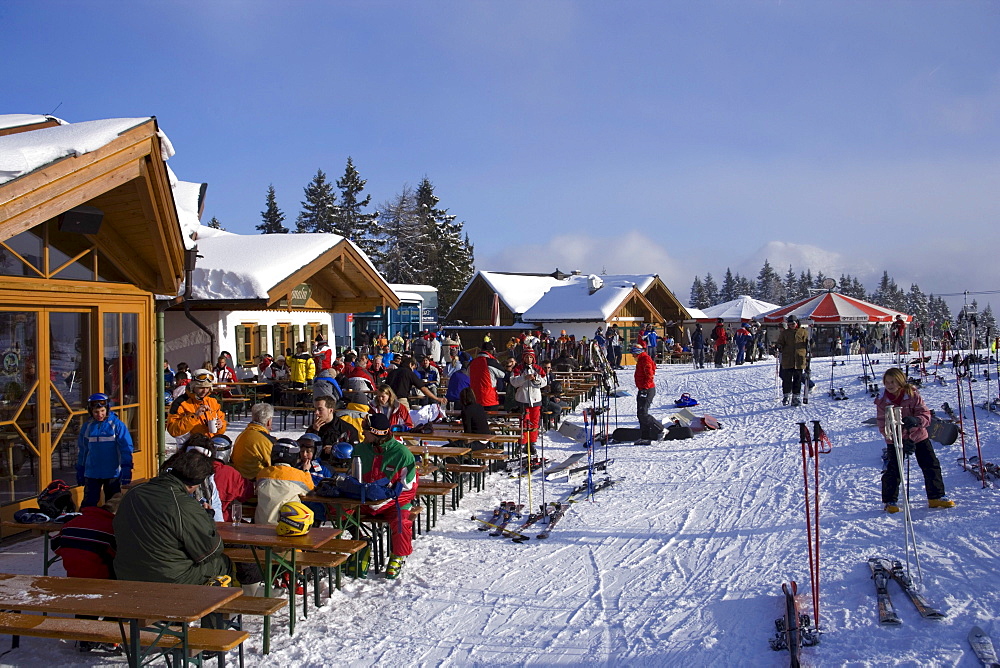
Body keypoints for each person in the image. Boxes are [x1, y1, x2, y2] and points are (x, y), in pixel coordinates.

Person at [113, 450, 231, 585]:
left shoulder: (134, 492)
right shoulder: (183, 505)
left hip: (126, 572)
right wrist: (207, 517)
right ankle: (227, 603)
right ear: (193, 484)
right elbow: (210, 550)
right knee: (223, 563)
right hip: (170, 578)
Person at [875, 367, 955, 512]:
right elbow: (883, 425)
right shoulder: (882, 401)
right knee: (894, 469)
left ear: (900, 382)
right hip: (896, 440)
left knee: (930, 464)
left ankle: (936, 496)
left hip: (919, 436)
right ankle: (890, 501)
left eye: (893, 382)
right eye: (887, 382)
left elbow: (925, 414)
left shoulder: (912, 394)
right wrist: (900, 439)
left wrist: (916, 420)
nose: (890, 385)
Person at [356, 413, 418, 579]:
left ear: (376, 432)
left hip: (393, 503)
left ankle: (398, 554)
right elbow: (353, 477)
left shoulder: (402, 454)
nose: (362, 434)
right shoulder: (361, 449)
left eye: (365, 430)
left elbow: (409, 489)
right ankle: (361, 544)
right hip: (365, 500)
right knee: (339, 513)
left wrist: (384, 500)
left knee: (401, 519)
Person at [76, 393, 134, 508]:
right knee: (89, 504)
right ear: (91, 411)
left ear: (107, 409)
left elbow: (126, 447)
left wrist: (126, 466)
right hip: (92, 472)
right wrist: (80, 468)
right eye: (96, 412)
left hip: (111, 472)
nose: (99, 415)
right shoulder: (88, 426)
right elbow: (83, 449)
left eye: (102, 411)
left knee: (112, 504)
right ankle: (87, 524)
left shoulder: (116, 425)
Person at [53, 492, 121, 580]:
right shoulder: (111, 528)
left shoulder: (72, 523)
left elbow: (55, 545)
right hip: (101, 579)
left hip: (73, 575)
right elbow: (121, 555)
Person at [255, 438, 315, 524]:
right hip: (286, 525)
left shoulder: (262, 473)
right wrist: (306, 471)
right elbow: (310, 489)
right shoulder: (298, 475)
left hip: (261, 523)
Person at [166, 369, 228, 442]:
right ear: (193, 387)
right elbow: (173, 431)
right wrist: (194, 416)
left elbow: (221, 427)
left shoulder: (212, 401)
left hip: (210, 444)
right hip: (189, 447)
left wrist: (221, 426)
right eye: (201, 388)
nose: (204, 391)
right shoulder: (180, 403)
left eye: (207, 388)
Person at [208, 434, 253, 523]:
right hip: (223, 519)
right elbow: (246, 493)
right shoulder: (230, 473)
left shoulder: (197, 467)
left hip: (199, 518)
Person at [510, 349, 547, 452]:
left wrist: (535, 379)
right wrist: (524, 378)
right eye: (527, 357)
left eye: (530, 357)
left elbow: (544, 382)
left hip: (535, 399)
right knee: (524, 423)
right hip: (523, 399)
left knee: (534, 423)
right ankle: (522, 442)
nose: (529, 359)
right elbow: (513, 382)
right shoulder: (518, 369)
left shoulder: (538, 369)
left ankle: (532, 442)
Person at [230, 403, 277, 480]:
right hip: (256, 481)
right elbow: (275, 465)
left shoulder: (242, 435)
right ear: (268, 421)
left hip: (238, 478)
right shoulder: (267, 441)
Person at [777, 315, 809, 406]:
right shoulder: (785, 333)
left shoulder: (803, 332)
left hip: (799, 359)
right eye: (790, 324)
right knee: (786, 379)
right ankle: (786, 395)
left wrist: (810, 343)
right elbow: (780, 342)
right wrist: (779, 346)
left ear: (797, 323)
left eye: (793, 324)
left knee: (797, 379)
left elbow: (808, 343)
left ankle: (796, 397)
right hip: (788, 359)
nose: (791, 325)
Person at [633, 344, 662, 444]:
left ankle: (660, 429)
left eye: (634, 354)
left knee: (643, 413)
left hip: (647, 389)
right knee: (640, 414)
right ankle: (644, 436)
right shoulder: (641, 359)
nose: (633, 356)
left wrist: (644, 388)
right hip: (642, 389)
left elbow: (650, 375)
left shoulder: (645, 359)